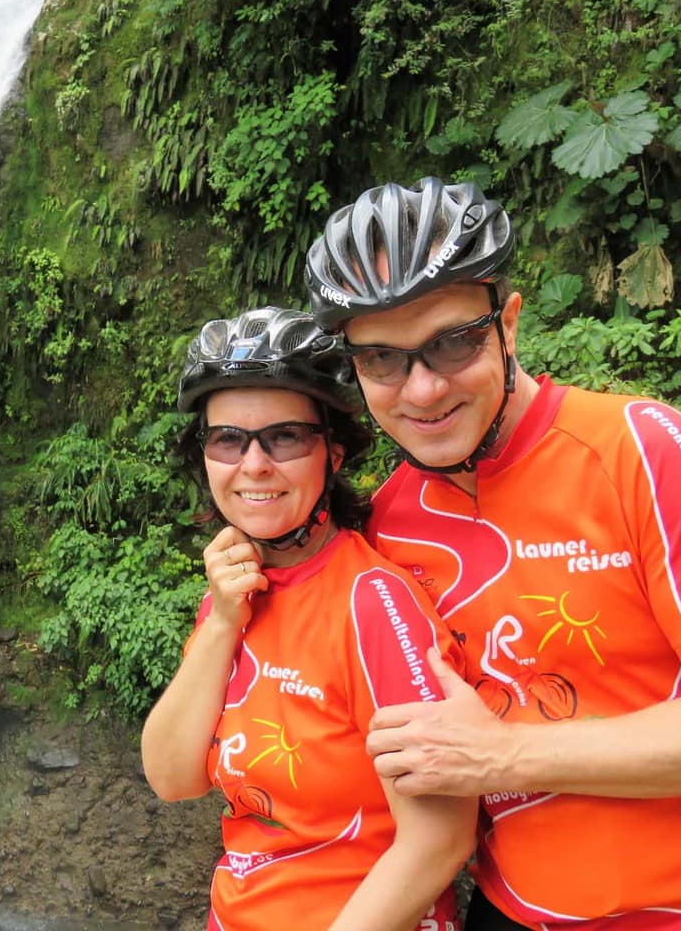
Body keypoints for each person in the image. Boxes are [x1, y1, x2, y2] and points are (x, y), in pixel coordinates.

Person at [305, 177, 681, 929]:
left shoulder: (645, 451)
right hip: (512, 909)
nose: (422, 389)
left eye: (454, 342)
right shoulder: (386, 525)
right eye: (382, 361)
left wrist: (503, 758)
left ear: (509, 324)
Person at [141, 306, 475, 931]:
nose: (254, 464)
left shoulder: (373, 602)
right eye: (227, 439)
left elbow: (439, 839)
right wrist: (220, 625)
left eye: (286, 436)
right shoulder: (231, 594)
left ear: (337, 452)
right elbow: (170, 776)